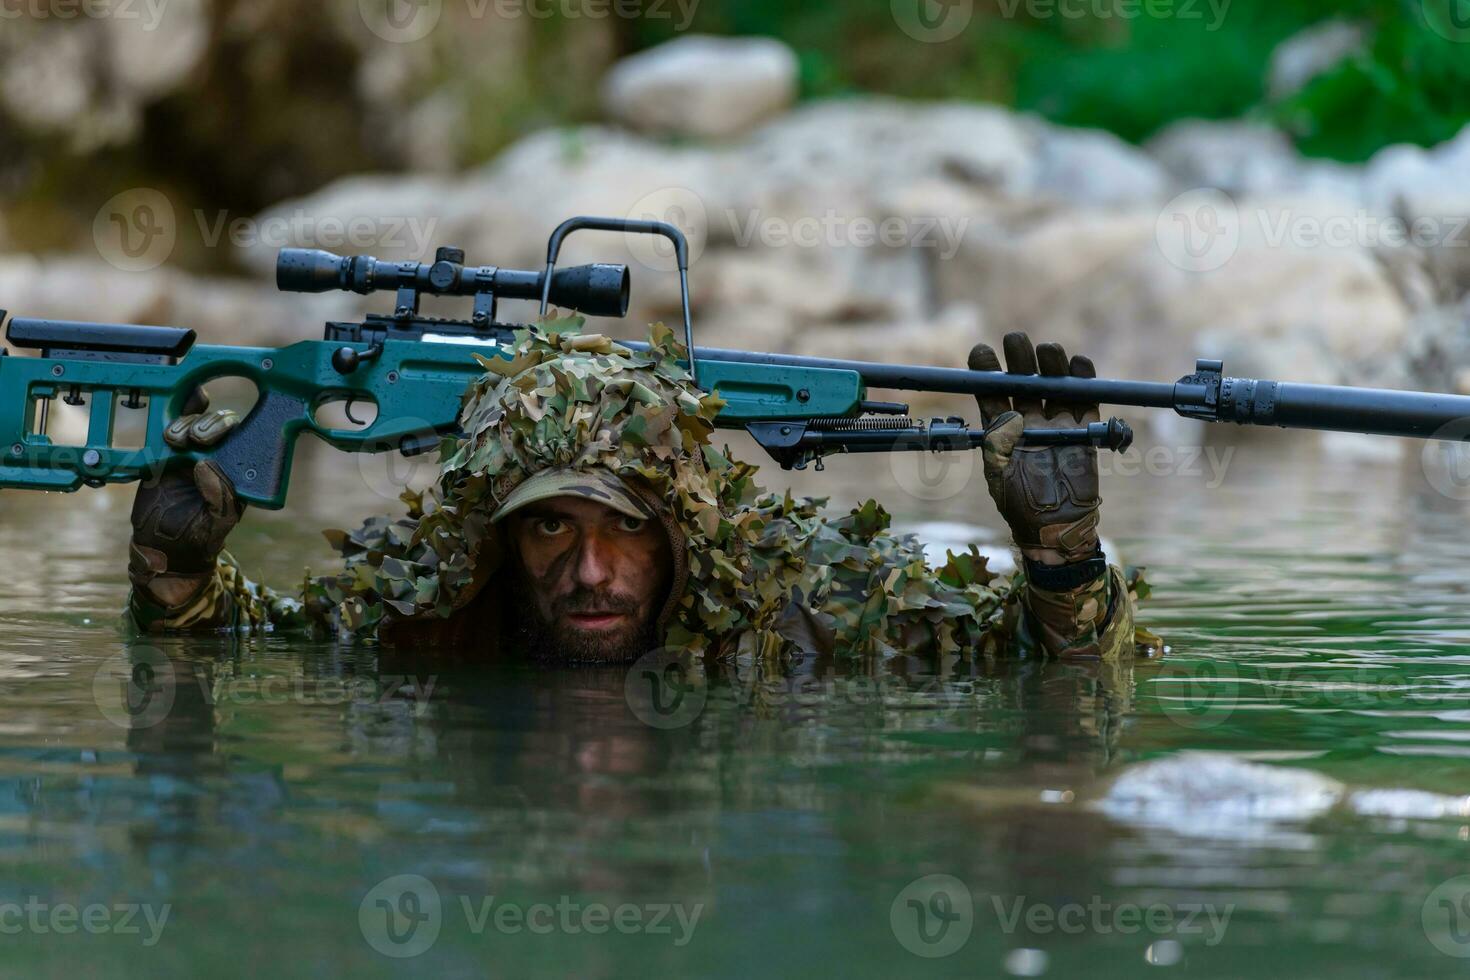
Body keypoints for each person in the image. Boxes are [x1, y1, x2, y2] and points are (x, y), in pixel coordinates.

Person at [126, 318, 1151, 661]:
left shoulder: (797, 611)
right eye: (550, 529)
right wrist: (176, 579)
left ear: (684, 533)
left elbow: (1050, 672)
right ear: (496, 542)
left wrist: (1062, 554)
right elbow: (245, 641)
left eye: (625, 525)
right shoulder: (436, 607)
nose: (589, 570)